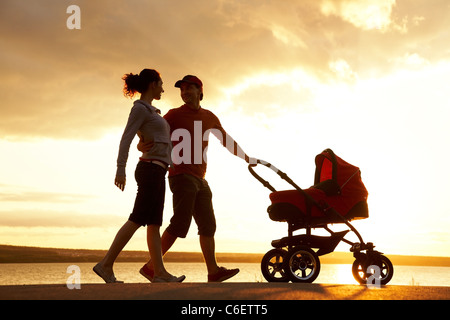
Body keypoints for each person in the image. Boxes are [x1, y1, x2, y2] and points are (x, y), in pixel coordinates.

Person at [138, 75, 253, 282]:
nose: (184, 93)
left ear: (200, 90)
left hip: (200, 178)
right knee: (180, 224)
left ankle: (213, 271)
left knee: (208, 225)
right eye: (182, 90)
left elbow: (226, 140)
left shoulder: (209, 117)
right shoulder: (172, 115)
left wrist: (247, 158)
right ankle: (151, 267)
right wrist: (141, 143)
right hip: (180, 175)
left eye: (189, 88)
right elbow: (150, 127)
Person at [93, 69, 185, 283]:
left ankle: (159, 272)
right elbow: (126, 138)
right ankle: (105, 264)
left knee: (154, 223)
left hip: (158, 170)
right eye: (161, 83)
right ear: (153, 84)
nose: (163, 88)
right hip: (149, 170)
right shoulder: (140, 109)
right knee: (137, 219)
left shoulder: (152, 111)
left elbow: (146, 138)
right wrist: (120, 168)